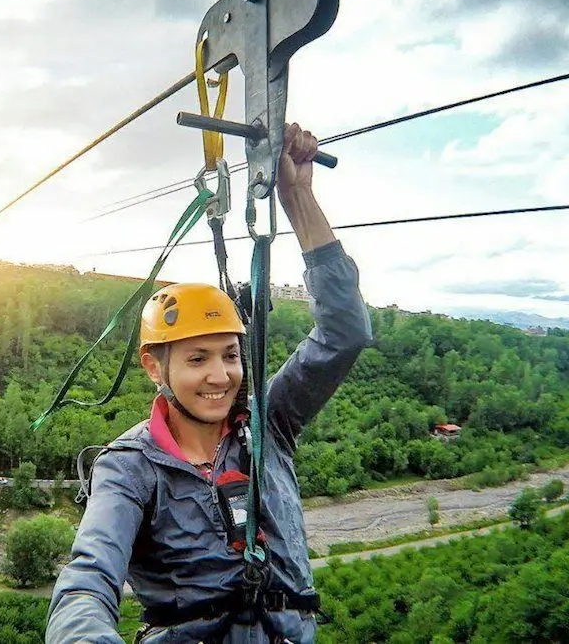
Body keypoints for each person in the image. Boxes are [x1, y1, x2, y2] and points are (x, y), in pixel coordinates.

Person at [46, 123, 372, 643]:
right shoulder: (130, 469)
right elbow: (88, 579)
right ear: (155, 368)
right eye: (197, 358)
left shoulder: (269, 427)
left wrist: (299, 198)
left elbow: (346, 332)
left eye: (230, 355)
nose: (220, 376)